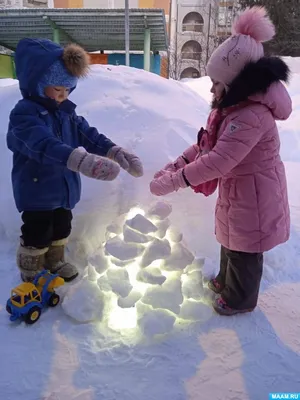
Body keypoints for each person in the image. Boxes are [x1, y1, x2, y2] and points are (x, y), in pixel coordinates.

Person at [150, 7, 292, 316]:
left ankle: (240, 299)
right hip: (241, 190)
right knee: (232, 240)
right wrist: (176, 164)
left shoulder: (251, 115)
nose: (212, 89)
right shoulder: (232, 110)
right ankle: (227, 283)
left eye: (217, 83)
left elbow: (218, 160)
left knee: (245, 248)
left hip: (255, 194)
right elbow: (206, 145)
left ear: (237, 83)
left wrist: (175, 181)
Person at [7, 38, 143, 283]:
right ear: (36, 84)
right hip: (36, 190)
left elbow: (88, 135)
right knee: (37, 232)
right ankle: (31, 271)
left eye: (66, 90)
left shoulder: (66, 113)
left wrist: (115, 151)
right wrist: (80, 160)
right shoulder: (23, 115)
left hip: (64, 188)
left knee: (61, 227)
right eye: (56, 90)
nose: (62, 96)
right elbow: (42, 144)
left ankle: (55, 260)